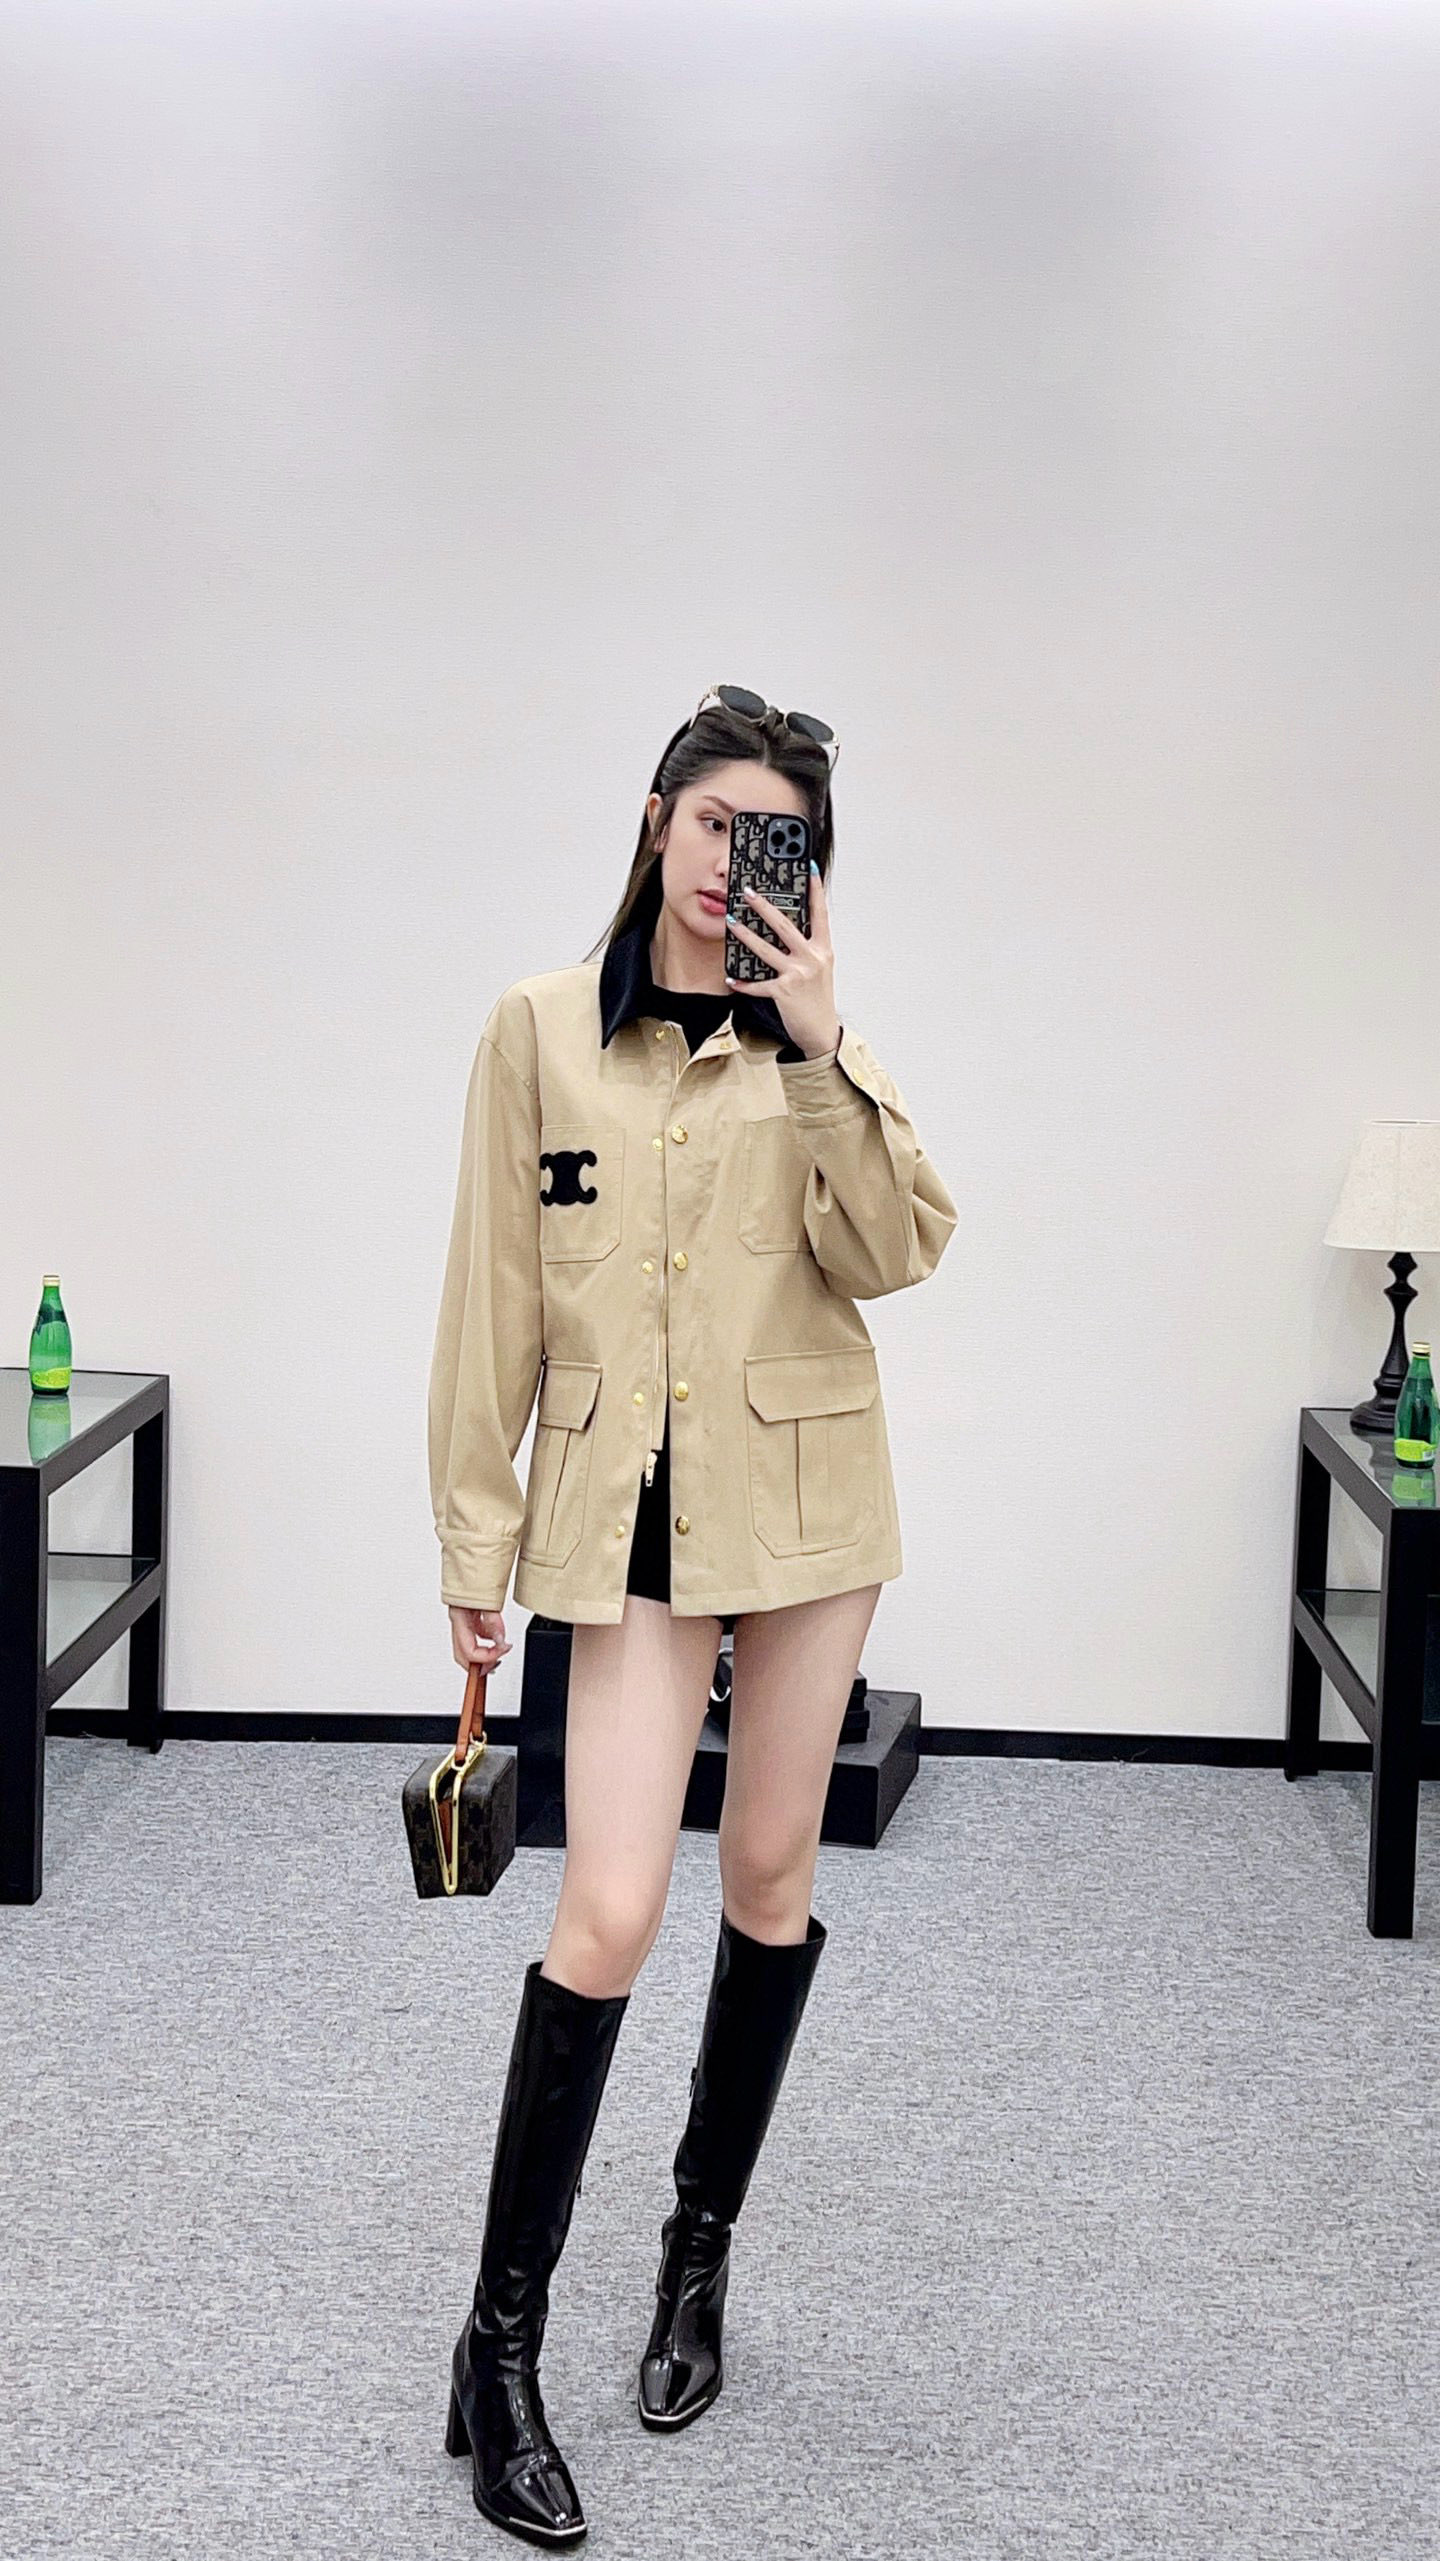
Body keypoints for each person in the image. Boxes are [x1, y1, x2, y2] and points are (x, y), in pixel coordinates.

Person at [428, 684, 957, 2545]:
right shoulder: (537, 1030)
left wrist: (819, 1046)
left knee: (770, 1874)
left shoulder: (812, 1046)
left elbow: (898, 1249)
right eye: (717, 819)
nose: (738, 856)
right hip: (625, 1518)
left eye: (774, 833)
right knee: (608, 1905)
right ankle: (499, 2354)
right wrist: (474, 1544)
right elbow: (490, 1299)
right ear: (658, 820)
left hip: (807, 1507)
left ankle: (696, 2256)